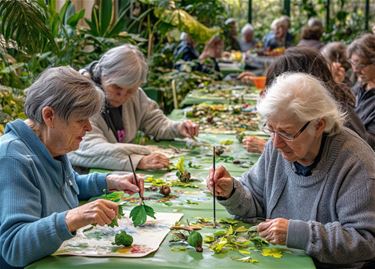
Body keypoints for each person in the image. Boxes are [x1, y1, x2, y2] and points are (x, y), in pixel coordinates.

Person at [207, 72, 375, 269]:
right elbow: (255, 201)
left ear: (318, 124)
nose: (276, 143)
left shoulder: (356, 163)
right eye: (271, 129)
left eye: (287, 133)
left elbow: (366, 241)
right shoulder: (278, 145)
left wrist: (298, 234)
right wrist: (231, 191)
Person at [0, 67, 145, 269]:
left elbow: (65, 185)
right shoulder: (13, 159)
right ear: (49, 115)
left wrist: (109, 181)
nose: (89, 127)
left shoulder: (49, 143)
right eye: (80, 120)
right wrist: (73, 217)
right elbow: (13, 246)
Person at [69, 44, 199, 172]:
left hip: (118, 175)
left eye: (130, 90)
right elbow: (90, 149)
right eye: (116, 87)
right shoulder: (82, 98)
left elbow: (155, 121)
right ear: (102, 74)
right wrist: (137, 160)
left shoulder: (136, 95)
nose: (122, 96)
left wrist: (177, 128)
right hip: (85, 180)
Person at [242, 47, 369, 152]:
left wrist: (266, 148)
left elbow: (327, 166)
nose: (276, 143)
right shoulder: (326, 106)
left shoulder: (337, 121)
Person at [347, 33, 375, 149]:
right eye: (353, 63)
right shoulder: (359, 87)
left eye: (361, 65)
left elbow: (371, 143)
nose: (355, 70)